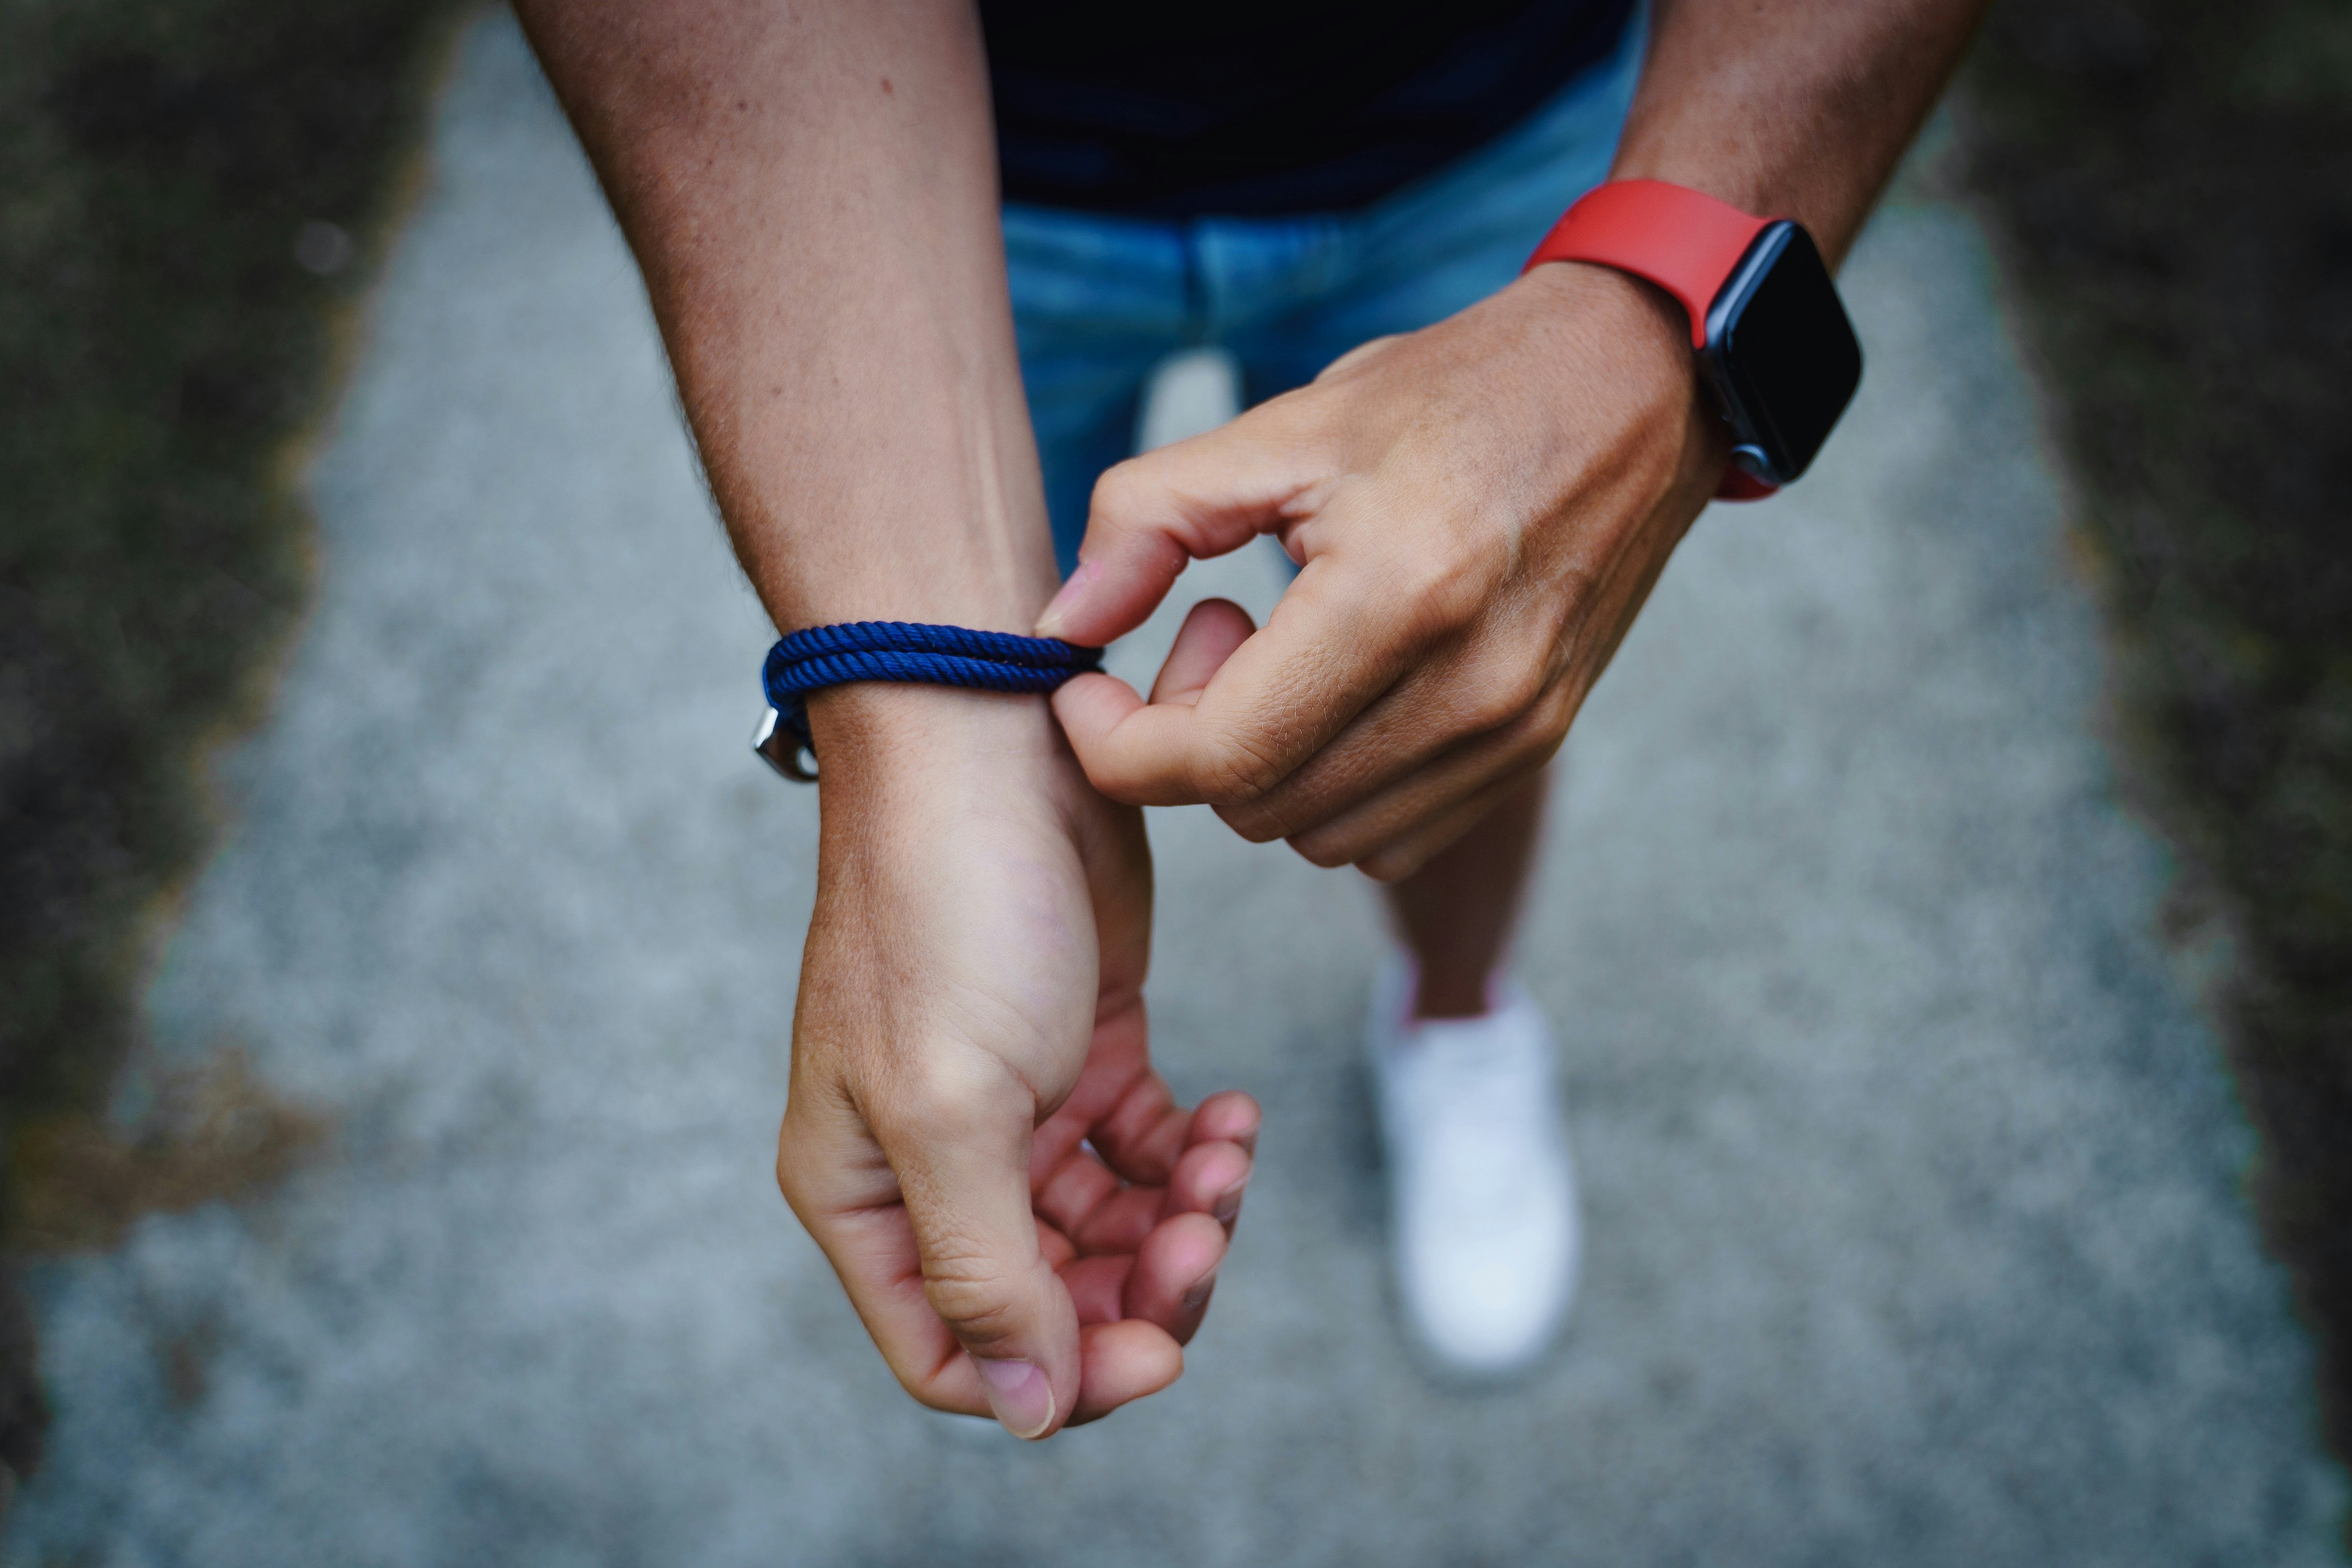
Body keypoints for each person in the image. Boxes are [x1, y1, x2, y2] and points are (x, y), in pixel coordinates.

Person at [514, 0, 1986, 1439]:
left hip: (1498, 120)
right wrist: (911, 758)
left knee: (1461, 673)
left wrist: (1656, 312)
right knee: (991, 722)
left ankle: (1460, 1019)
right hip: (932, 182)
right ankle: (1425, 1011)